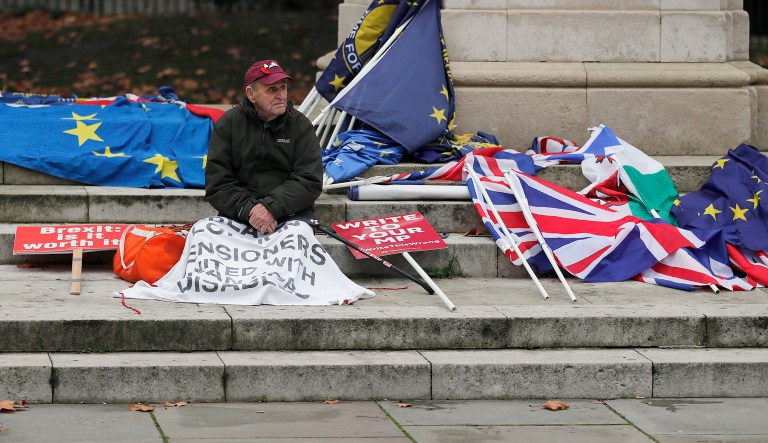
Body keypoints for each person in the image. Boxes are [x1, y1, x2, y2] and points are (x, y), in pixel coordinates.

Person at [205, 59, 323, 234]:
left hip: (290, 213)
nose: (281, 95)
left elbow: (309, 180)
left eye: (283, 87)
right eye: (272, 89)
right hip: (240, 213)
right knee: (203, 233)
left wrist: (270, 207)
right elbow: (218, 183)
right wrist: (250, 209)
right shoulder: (229, 124)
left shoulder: (300, 125)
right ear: (251, 94)